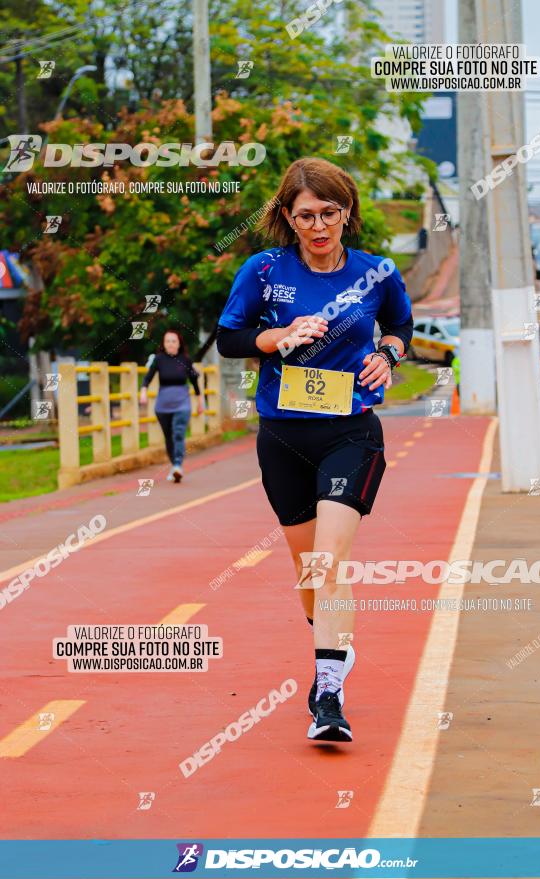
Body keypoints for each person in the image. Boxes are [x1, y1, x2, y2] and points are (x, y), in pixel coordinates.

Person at [216, 158, 413, 743]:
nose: (319, 225)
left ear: (346, 213)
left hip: (350, 432)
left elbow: (400, 324)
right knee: (307, 569)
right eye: (306, 215)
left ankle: (329, 692)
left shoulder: (376, 272)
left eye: (330, 212)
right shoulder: (263, 269)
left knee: (328, 562)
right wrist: (279, 336)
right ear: (287, 217)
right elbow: (229, 339)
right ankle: (334, 640)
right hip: (282, 436)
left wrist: (389, 354)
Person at [139, 329, 203, 482]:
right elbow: (148, 377)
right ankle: (174, 465)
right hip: (163, 406)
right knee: (169, 437)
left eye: (174, 341)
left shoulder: (185, 360)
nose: (170, 344)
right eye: (167, 341)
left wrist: (200, 401)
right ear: (163, 344)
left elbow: (194, 382)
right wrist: (143, 392)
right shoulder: (159, 359)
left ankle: (177, 466)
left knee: (178, 433)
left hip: (182, 403)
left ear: (179, 344)